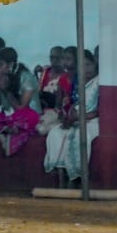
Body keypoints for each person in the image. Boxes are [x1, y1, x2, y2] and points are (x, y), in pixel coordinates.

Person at [44, 50, 99, 184]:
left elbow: (100, 110)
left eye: (88, 65)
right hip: (77, 119)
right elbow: (75, 105)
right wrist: (68, 117)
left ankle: (76, 177)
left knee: (80, 135)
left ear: (95, 64)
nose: (86, 69)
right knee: (55, 133)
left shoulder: (99, 82)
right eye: (82, 66)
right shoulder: (78, 83)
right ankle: (61, 175)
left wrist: (80, 117)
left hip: (92, 119)